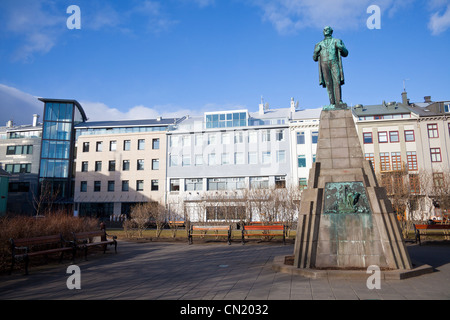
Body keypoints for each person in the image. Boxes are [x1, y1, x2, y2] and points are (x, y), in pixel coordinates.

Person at [313, 26, 348, 109]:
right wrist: (316, 51)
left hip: (334, 62)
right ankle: (332, 102)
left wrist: (341, 47)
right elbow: (314, 58)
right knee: (328, 83)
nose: (325, 30)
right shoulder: (318, 44)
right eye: (324, 30)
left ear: (331, 31)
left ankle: (339, 101)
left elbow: (346, 53)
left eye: (327, 29)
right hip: (324, 63)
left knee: (337, 81)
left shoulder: (337, 41)